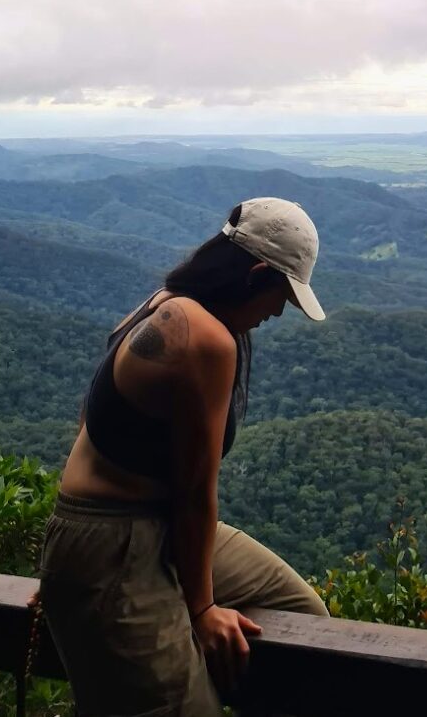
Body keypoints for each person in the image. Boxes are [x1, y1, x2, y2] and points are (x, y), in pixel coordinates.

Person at [34, 197, 330, 716]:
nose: (278, 311)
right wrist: (202, 607)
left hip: (148, 524)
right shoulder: (207, 340)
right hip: (114, 539)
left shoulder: (164, 300)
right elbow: (196, 493)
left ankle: (182, 667)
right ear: (255, 274)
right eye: (280, 294)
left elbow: (91, 418)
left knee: (301, 612)